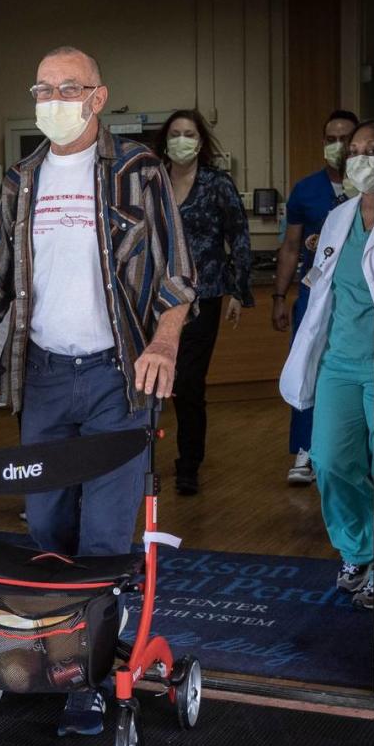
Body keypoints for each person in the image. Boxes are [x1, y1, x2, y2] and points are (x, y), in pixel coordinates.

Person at [0, 46, 195, 735]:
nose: (51, 97)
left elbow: (177, 274)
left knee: (109, 536)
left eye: (66, 86)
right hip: (46, 376)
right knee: (47, 527)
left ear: (97, 96)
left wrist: (165, 341)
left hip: (118, 375)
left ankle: (95, 675)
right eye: (42, 87)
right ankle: (54, 652)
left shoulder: (137, 171)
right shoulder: (22, 181)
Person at [280, 119, 374, 611]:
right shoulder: (339, 218)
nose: (359, 157)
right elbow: (321, 287)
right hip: (340, 361)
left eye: (372, 149)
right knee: (332, 461)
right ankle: (359, 551)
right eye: (354, 149)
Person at [154, 109, 252, 495]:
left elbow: (239, 237)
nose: (182, 140)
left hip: (204, 294)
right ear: (165, 140)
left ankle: (188, 463)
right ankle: (139, 459)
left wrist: (239, 292)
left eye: (189, 134)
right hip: (155, 298)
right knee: (150, 380)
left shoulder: (216, 184)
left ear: (201, 142)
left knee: (189, 383)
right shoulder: (152, 180)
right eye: (175, 133)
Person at [272, 109, 359, 485]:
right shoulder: (306, 189)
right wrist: (279, 295)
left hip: (357, 297)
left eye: (346, 139)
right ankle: (306, 450)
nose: (337, 146)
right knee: (307, 364)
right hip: (314, 293)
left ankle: (354, 451)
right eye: (330, 139)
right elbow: (291, 246)